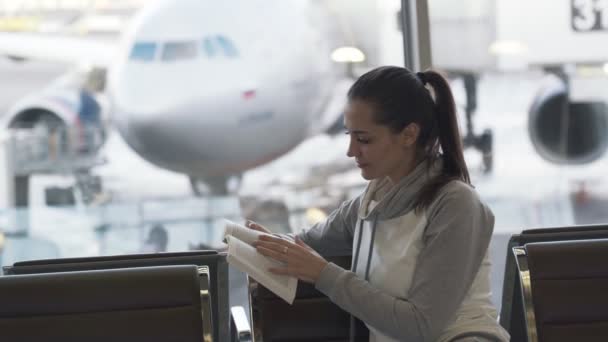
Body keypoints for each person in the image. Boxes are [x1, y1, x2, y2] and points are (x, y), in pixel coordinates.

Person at [247, 66, 510, 342]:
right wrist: (255, 242)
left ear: (409, 135)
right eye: (349, 137)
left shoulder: (456, 206)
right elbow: (305, 244)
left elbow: (420, 327)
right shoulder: (371, 203)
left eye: (364, 139)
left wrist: (324, 275)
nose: (351, 152)